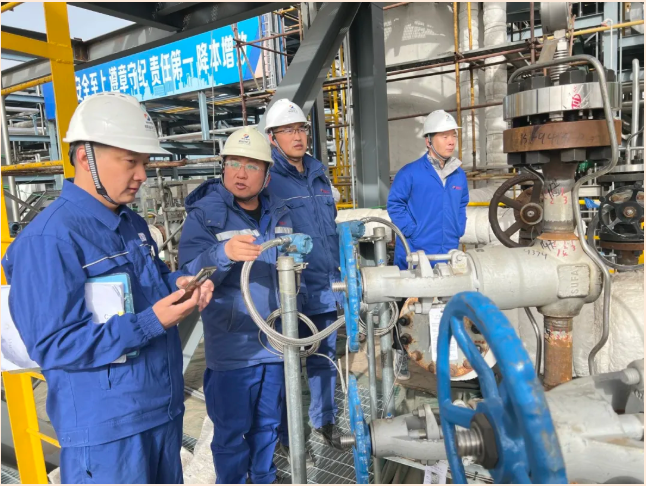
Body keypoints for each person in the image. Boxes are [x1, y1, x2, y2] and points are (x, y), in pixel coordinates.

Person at [2, 92, 214, 484]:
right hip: (107, 435)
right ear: (86, 157)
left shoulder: (130, 223)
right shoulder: (50, 239)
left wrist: (178, 284)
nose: (142, 174)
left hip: (160, 414)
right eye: (130, 161)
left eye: (145, 162)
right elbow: (54, 345)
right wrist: (151, 323)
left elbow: (148, 287)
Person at [178, 127, 298, 484]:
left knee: (268, 427)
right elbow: (187, 276)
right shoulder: (205, 216)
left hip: (275, 342)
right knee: (231, 433)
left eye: (251, 166)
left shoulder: (280, 212)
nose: (240, 173)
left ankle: (264, 479)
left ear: (267, 174)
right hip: (234, 349)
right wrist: (222, 253)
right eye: (233, 163)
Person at [263, 99, 342, 452]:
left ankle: (325, 421)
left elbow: (330, 228)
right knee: (286, 366)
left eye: (301, 129)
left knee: (325, 359)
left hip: (326, 285)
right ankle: (287, 436)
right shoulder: (268, 178)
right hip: (289, 291)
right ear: (272, 137)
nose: (297, 136)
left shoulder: (317, 172)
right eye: (288, 130)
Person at [386, 109, 469, 380]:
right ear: (428, 140)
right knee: (406, 308)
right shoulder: (410, 173)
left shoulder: (458, 175)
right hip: (415, 253)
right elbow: (394, 204)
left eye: (453, 135)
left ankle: (444, 358)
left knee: (444, 307)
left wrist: (458, 228)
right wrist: (413, 232)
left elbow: (462, 204)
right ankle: (400, 353)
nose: (451, 141)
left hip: (447, 253)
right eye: (444, 136)